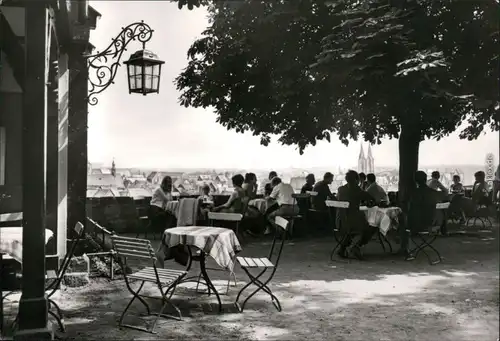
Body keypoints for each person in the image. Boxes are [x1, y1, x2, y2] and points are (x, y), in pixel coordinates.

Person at [336, 170, 376, 259]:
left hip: (340, 222)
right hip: (351, 223)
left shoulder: (341, 189)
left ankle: (342, 249)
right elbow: (371, 198)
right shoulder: (357, 190)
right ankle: (356, 246)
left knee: (351, 230)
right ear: (356, 180)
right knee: (371, 228)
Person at [402, 171, 440, 257]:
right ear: (426, 179)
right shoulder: (433, 193)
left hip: (415, 225)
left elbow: (409, 210)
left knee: (400, 224)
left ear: (415, 181)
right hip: (431, 223)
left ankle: (406, 249)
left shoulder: (413, 193)